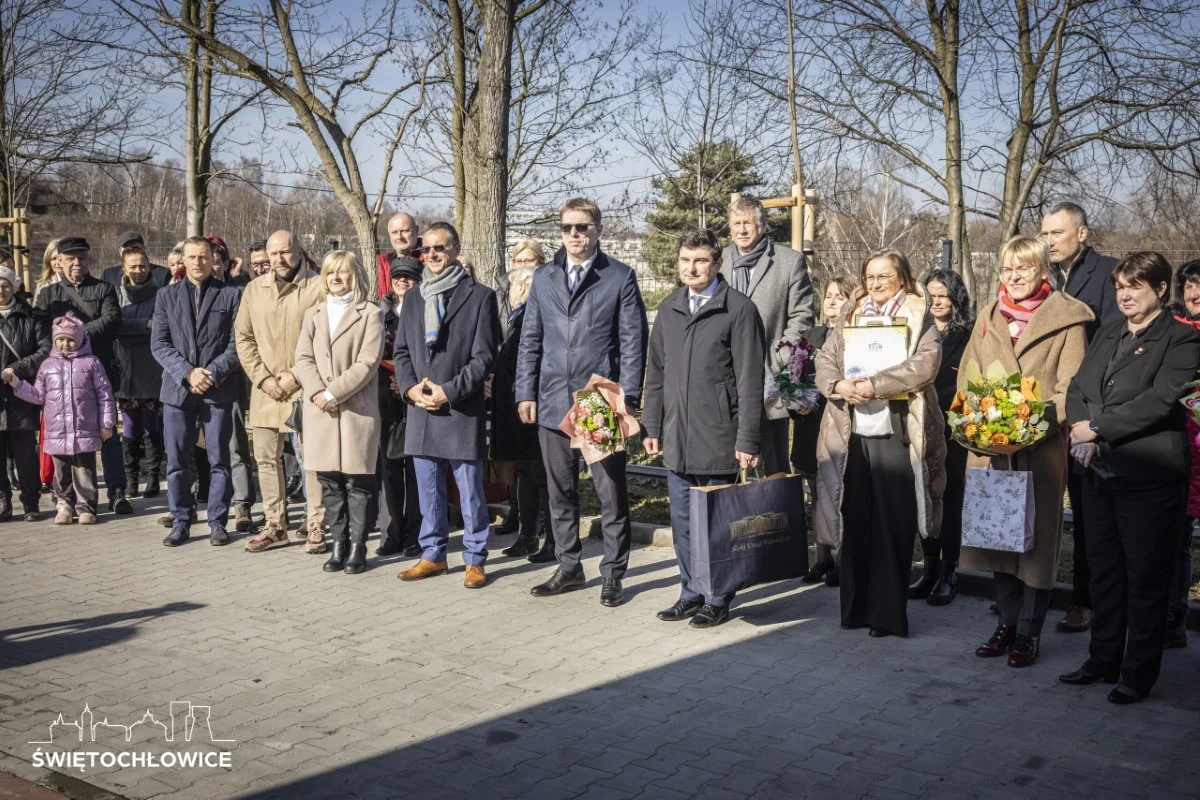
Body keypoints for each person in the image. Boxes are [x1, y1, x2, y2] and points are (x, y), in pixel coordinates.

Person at [1061, 252, 1200, 704]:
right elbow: (1078, 388)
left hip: (1149, 475)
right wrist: (1081, 431)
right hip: (1098, 471)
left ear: (1160, 288)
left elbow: (1159, 401)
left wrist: (1097, 428)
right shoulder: (1108, 332)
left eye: (1135, 286)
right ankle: (1102, 660)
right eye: (1120, 286)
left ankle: (1138, 673)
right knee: (1104, 573)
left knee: (1146, 578)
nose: (1124, 294)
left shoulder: (1181, 338)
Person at [958, 237, 1092, 667]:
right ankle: (1006, 624)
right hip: (992, 449)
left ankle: (1029, 632)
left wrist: (1028, 424)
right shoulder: (988, 316)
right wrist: (978, 421)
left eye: (1023, 268)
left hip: (1039, 450)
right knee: (998, 537)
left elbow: (1071, 388)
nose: (1013, 277)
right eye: (1006, 269)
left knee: (1035, 544)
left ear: (1042, 271)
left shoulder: (1066, 319)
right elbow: (966, 376)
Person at [516, 198, 649, 607]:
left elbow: (633, 342)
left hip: (597, 401)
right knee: (560, 492)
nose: (574, 234)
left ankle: (613, 574)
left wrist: (627, 397)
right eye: (567, 227)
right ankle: (569, 567)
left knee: (610, 493)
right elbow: (530, 339)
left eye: (582, 227)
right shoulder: (544, 277)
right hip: (553, 397)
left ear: (598, 230)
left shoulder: (619, 277)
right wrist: (525, 391)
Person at [814, 249, 945, 638]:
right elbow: (825, 360)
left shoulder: (919, 314)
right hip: (851, 429)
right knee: (854, 516)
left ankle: (887, 615)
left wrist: (877, 385)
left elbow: (926, 364)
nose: (875, 284)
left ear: (902, 277)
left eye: (884, 276)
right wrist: (838, 384)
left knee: (893, 521)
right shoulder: (851, 313)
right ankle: (854, 609)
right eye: (869, 277)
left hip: (899, 429)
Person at [644, 229, 766, 628]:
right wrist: (651, 424)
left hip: (719, 436)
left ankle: (717, 596)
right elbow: (656, 373)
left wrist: (748, 439)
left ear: (717, 263)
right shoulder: (669, 308)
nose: (691, 268)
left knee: (715, 523)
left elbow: (750, 380)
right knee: (683, 523)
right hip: (677, 437)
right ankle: (690, 591)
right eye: (685, 260)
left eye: (700, 261)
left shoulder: (738, 309)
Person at [394, 222, 501, 588]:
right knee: (428, 490)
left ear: (454, 249)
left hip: (459, 408)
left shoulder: (480, 296)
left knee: (469, 491)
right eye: (426, 249)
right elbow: (402, 351)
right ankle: (433, 554)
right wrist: (410, 389)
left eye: (439, 248)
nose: (432, 255)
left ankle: (475, 558)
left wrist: (450, 391)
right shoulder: (413, 297)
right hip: (421, 408)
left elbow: (484, 357)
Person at [1041, 202, 1120, 635]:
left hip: (1084, 408)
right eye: (1045, 233)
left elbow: (1110, 341)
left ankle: (1086, 601)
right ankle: (1026, 592)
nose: (1049, 241)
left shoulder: (1107, 273)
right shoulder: (1044, 276)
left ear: (1082, 233)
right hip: (1040, 405)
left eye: (1057, 232)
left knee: (1088, 514)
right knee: (1038, 503)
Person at [294, 251, 384, 575]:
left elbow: (368, 362)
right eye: (330, 272)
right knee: (329, 483)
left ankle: (358, 547)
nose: (335, 278)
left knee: (358, 483)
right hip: (320, 411)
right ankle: (338, 545)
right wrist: (318, 392)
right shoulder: (314, 314)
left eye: (343, 272)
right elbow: (302, 358)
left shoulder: (371, 313)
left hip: (355, 411)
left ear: (354, 276)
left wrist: (334, 392)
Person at [236, 229, 326, 553]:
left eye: (285, 252)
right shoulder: (253, 290)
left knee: (312, 458)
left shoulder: (317, 286)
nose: (279, 259)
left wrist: (297, 376)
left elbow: (326, 339)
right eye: (273, 254)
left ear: (299, 251)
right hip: (266, 389)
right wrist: (263, 379)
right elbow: (244, 338)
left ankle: (316, 524)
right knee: (265, 459)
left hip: (306, 387)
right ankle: (275, 525)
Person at [151, 237, 242, 547]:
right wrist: (188, 372)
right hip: (178, 390)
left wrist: (211, 373)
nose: (198, 262)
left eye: (203, 256)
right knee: (177, 460)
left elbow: (237, 344)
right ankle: (181, 520)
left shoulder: (232, 295)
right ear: (184, 260)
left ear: (213, 258)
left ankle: (217, 521)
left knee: (220, 459)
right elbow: (159, 343)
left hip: (218, 389)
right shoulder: (166, 296)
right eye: (192, 257)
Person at [719, 195, 815, 475]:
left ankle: (779, 504)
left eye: (748, 223)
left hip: (768, 377)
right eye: (737, 223)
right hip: (724, 375)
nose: (742, 230)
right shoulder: (718, 262)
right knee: (727, 464)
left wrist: (777, 357)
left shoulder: (789, 262)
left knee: (774, 468)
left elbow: (802, 318)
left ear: (763, 225)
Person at [34, 237, 129, 516]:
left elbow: (112, 319)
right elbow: (41, 331)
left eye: (82, 258)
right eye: (71, 258)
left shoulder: (104, 288)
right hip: (61, 379)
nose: (77, 263)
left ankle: (117, 491)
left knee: (107, 431)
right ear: (59, 262)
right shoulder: (49, 295)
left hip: (99, 372)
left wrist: (76, 334)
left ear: (89, 259)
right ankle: (65, 496)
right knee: (63, 437)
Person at [8, 314, 115, 525]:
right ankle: (64, 505)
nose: (65, 344)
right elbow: (38, 395)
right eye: (61, 339)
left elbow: (104, 394)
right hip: (57, 431)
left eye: (70, 340)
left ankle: (86, 507)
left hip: (84, 428)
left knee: (84, 471)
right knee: (61, 472)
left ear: (80, 340)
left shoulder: (91, 363)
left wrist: (106, 423)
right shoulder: (47, 365)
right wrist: (18, 385)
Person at [909, 269, 974, 606]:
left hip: (954, 428)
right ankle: (929, 568)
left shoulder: (968, 336)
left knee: (950, 498)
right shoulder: (915, 331)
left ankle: (950, 572)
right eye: (930, 295)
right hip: (920, 426)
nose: (935, 302)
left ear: (955, 298)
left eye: (942, 295)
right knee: (925, 496)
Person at [795, 277, 855, 587]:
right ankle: (822, 557)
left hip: (840, 421)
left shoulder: (855, 335)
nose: (831, 301)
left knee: (840, 492)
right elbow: (794, 376)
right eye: (828, 295)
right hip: (810, 423)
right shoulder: (810, 336)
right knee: (816, 492)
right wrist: (795, 400)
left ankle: (844, 558)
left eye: (839, 296)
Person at [489, 261, 550, 558]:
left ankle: (549, 538)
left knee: (539, 473)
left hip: (530, 407)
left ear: (523, 287)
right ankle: (527, 535)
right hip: (515, 406)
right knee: (525, 471)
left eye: (512, 286)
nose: (509, 292)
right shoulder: (518, 316)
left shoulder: (530, 316)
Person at [374, 255, 424, 558]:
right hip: (385, 397)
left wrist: (407, 380)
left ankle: (414, 534)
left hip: (418, 396)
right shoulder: (379, 313)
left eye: (409, 277)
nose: (403, 282)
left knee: (417, 468)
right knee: (389, 468)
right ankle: (390, 532)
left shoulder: (426, 309)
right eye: (398, 277)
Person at [1166, 259, 1200, 649]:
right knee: (1177, 541)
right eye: (1188, 285)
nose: (1194, 293)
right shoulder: (1173, 331)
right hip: (1179, 452)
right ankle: (1174, 618)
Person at [112, 248, 164, 499]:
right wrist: (144, 325)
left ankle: (153, 478)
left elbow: (162, 326)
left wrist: (130, 329)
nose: (138, 270)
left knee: (152, 426)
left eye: (142, 265)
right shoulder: (114, 295)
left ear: (149, 267)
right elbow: (114, 325)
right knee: (130, 427)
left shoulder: (161, 295)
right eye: (132, 266)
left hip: (152, 370)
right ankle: (131, 479)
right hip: (125, 371)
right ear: (124, 268)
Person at [0, 267, 49, 521]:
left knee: (26, 454)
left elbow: (44, 350)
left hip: (21, 394)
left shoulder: (31, 316)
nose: (1, 290)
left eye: (5, 284)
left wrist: (16, 369)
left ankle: (31, 502)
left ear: (14, 287)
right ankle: (2, 501)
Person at [101, 231, 171, 289]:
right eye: (127, 249)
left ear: (143, 249)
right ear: (120, 252)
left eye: (136, 248)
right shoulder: (108, 276)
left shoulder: (162, 275)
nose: (132, 251)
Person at [376, 212, 421, 299]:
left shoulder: (430, 260)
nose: (399, 237)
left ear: (416, 230)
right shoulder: (383, 263)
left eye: (404, 231)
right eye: (394, 232)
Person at [33, 239, 64, 304]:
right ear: (48, 262)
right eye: (54, 259)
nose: (58, 262)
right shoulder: (44, 285)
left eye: (60, 259)